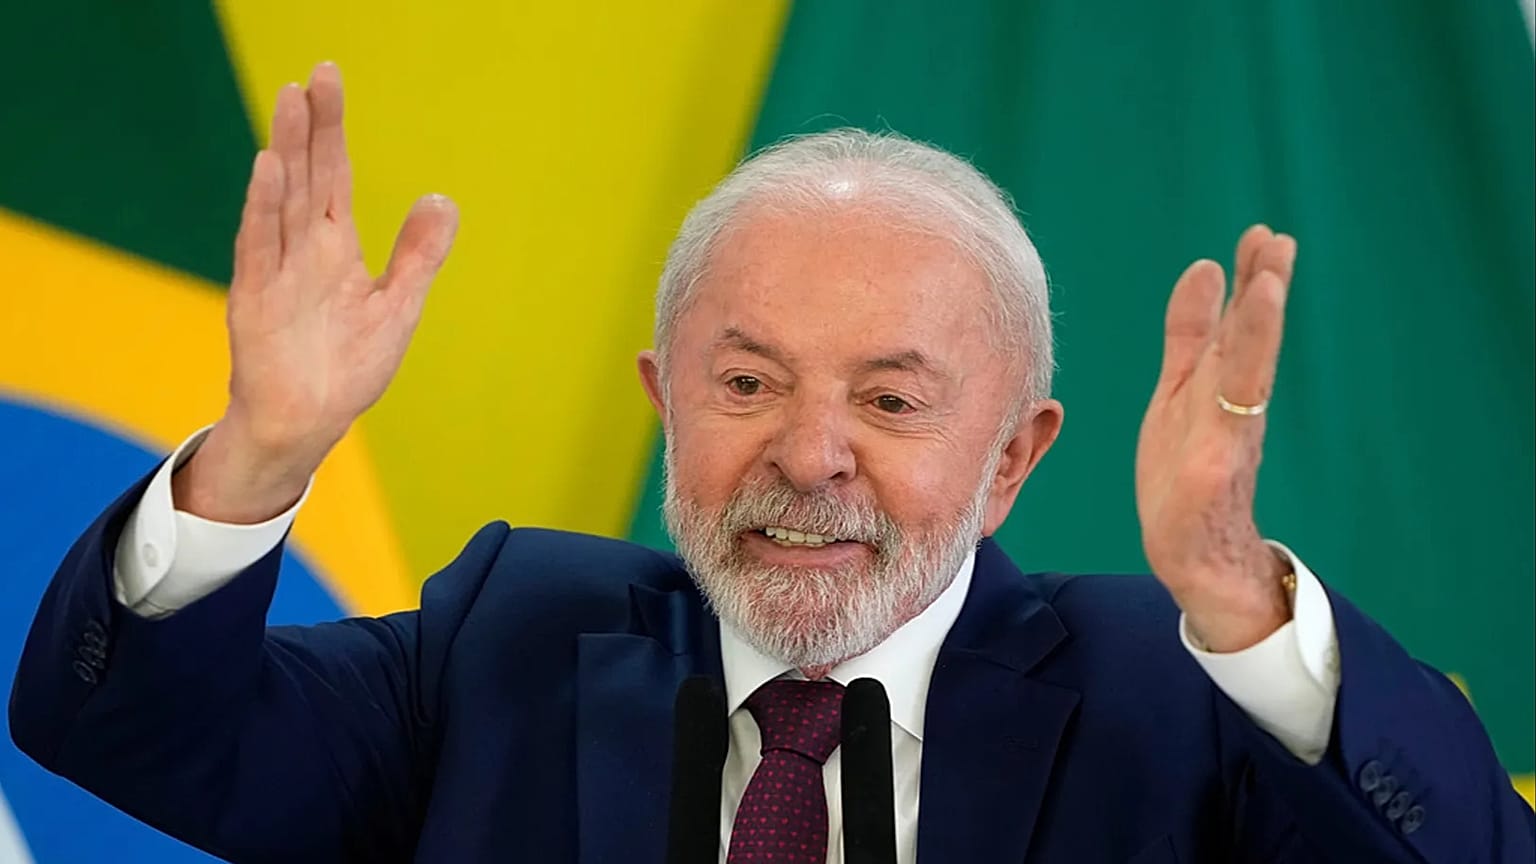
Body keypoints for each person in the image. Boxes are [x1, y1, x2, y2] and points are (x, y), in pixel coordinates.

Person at [8, 62, 1530, 864]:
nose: (809, 456)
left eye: (892, 400)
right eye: (747, 384)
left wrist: (1239, 602)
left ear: (1014, 457)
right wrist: (263, 454)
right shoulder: (506, 643)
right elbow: (126, 734)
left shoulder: (1176, 695)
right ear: (668, 402)